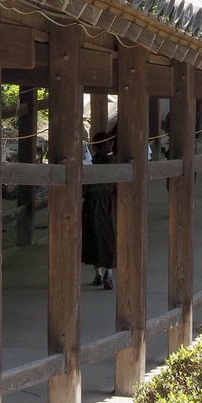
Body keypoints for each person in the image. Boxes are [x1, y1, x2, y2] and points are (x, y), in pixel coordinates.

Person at [82, 124, 117, 289]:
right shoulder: (115, 162)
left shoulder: (90, 163)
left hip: (91, 204)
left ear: (95, 146)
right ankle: (109, 274)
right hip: (109, 204)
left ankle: (98, 274)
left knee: (93, 238)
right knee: (109, 237)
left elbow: (84, 187)